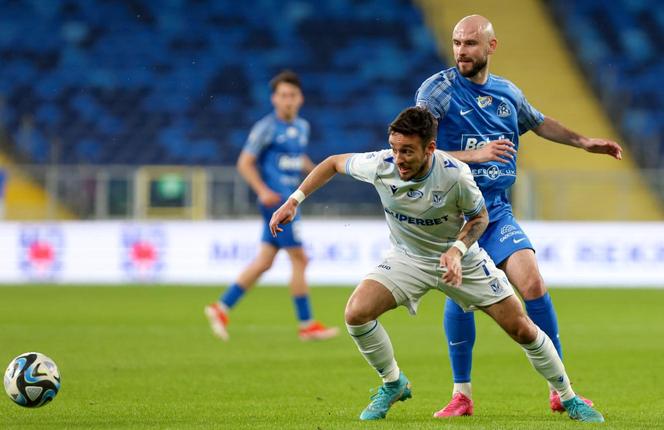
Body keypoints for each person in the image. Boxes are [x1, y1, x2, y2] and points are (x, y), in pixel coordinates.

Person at [269, 106, 604, 423]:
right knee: (356, 313)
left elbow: (479, 217)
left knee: (521, 329)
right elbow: (331, 163)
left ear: (429, 148)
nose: (398, 159)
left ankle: (568, 396)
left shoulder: (454, 175)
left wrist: (457, 251)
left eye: (407, 151)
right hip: (408, 259)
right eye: (394, 148)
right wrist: (293, 201)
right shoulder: (380, 164)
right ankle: (393, 383)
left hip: (462, 260)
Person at [415, 15, 623, 417]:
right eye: (457, 43)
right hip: (452, 213)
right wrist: (474, 155)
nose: (461, 51)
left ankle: (560, 390)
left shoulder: (507, 93)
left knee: (532, 282)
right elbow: (414, 148)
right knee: (461, 299)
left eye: (470, 43)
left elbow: (539, 123)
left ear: (491, 47)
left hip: (494, 209)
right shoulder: (437, 90)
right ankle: (462, 395)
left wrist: (583, 142)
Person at [205, 70, 338, 342]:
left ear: (300, 98)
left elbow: (296, 156)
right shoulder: (266, 128)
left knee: (264, 262)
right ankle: (306, 324)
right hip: (277, 202)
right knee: (300, 258)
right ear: (274, 100)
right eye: (282, 96)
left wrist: (314, 171)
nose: (288, 100)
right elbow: (244, 162)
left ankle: (221, 307)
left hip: (290, 199)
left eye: (292, 95)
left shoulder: (302, 127)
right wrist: (263, 191)